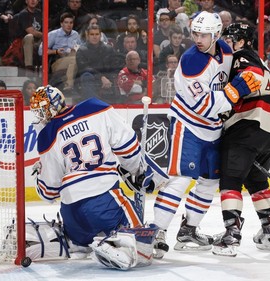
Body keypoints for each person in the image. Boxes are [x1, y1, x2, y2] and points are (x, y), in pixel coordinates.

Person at [151, 11, 261, 259]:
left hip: (212, 129)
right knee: (179, 179)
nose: (198, 39)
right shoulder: (192, 62)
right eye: (195, 34)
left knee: (210, 181)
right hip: (188, 126)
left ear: (217, 34)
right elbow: (203, 106)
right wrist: (236, 92)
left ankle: (188, 230)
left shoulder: (225, 51)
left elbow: (228, 81)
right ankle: (157, 231)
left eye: (204, 35)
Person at [29, 85, 168, 270]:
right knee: (143, 248)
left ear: (53, 106)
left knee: (79, 240)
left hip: (71, 213)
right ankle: (116, 247)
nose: (40, 116)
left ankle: (77, 243)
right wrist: (139, 171)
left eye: (42, 110)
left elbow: (49, 193)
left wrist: (39, 175)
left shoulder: (47, 135)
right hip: (105, 200)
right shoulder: (96, 107)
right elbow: (127, 145)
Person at [210, 22, 270, 257]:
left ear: (244, 41)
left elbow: (250, 76)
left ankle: (231, 236)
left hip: (248, 124)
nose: (227, 43)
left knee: (230, 180)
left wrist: (229, 96)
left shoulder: (242, 57)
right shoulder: (261, 60)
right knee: (257, 181)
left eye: (232, 38)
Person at [76, 24, 119, 103]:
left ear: (100, 35)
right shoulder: (81, 51)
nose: (94, 37)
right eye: (92, 34)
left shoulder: (109, 49)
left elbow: (115, 67)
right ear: (87, 35)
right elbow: (84, 68)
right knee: (86, 75)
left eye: (97, 34)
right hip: (90, 80)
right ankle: (94, 105)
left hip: (108, 80)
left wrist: (108, 79)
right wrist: (101, 77)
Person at [39, 12, 81, 91]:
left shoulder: (76, 34)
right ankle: (69, 85)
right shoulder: (53, 34)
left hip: (72, 58)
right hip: (57, 61)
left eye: (71, 23)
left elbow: (80, 47)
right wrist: (55, 51)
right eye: (66, 22)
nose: (69, 25)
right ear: (61, 24)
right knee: (74, 60)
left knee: (76, 58)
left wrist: (76, 49)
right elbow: (41, 51)